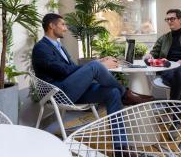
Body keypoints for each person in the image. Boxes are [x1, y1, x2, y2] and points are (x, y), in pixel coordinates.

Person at [32, 13, 150, 156]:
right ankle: (126, 93)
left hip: (71, 89)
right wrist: (100, 65)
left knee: (113, 92)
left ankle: (120, 148)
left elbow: (72, 68)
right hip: (58, 93)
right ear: (51, 25)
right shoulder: (41, 48)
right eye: (63, 24)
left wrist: (100, 62)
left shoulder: (59, 46)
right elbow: (62, 70)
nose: (65, 28)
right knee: (95, 67)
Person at [144, 9, 181, 101]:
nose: (169, 21)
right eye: (167, 19)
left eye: (172, 19)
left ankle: (172, 108)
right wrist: (150, 55)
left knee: (179, 72)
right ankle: (175, 111)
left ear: (180, 20)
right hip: (168, 68)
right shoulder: (163, 38)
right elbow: (154, 53)